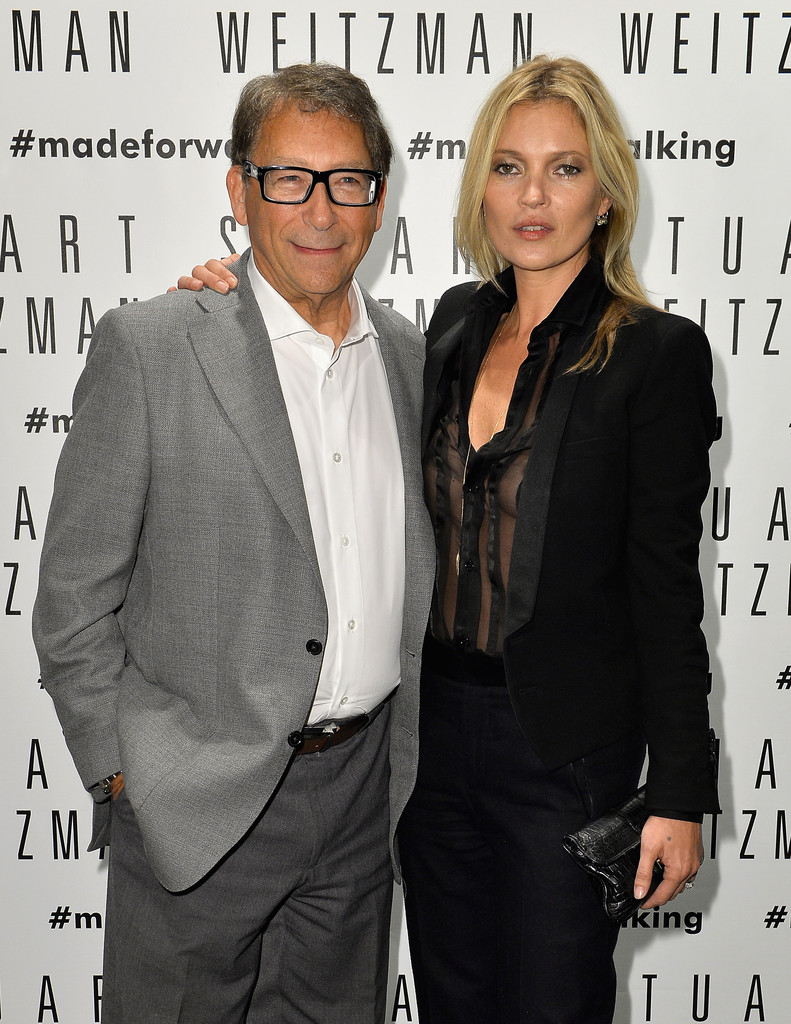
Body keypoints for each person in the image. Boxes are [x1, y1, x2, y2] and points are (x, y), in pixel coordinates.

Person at [179, 54, 719, 1024]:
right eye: (508, 167)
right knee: (452, 1001)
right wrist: (230, 300)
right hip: (427, 742)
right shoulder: (451, 326)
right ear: (480, 186)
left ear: (604, 194)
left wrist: (678, 793)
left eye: (563, 168)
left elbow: (665, 590)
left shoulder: (654, 353)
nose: (532, 196)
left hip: (563, 753)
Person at [32, 63, 434, 1024]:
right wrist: (124, 773)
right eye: (289, 178)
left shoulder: (415, 362)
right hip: (195, 803)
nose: (320, 211)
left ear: (379, 199)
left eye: (347, 180)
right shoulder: (152, 347)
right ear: (239, 189)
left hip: (363, 801)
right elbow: (74, 597)